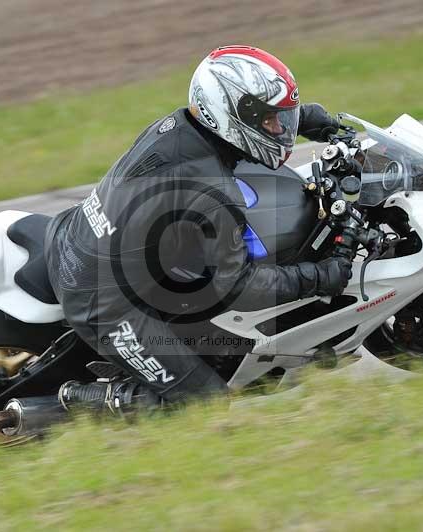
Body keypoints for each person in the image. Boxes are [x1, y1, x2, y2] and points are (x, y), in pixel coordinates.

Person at [45, 45, 352, 413]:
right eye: (272, 119)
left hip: (78, 237)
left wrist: (306, 119)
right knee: (207, 407)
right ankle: (78, 404)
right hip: (104, 303)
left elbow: (242, 126)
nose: (279, 129)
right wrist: (320, 277)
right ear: (229, 113)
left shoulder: (183, 127)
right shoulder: (212, 193)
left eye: (281, 118)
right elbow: (241, 289)